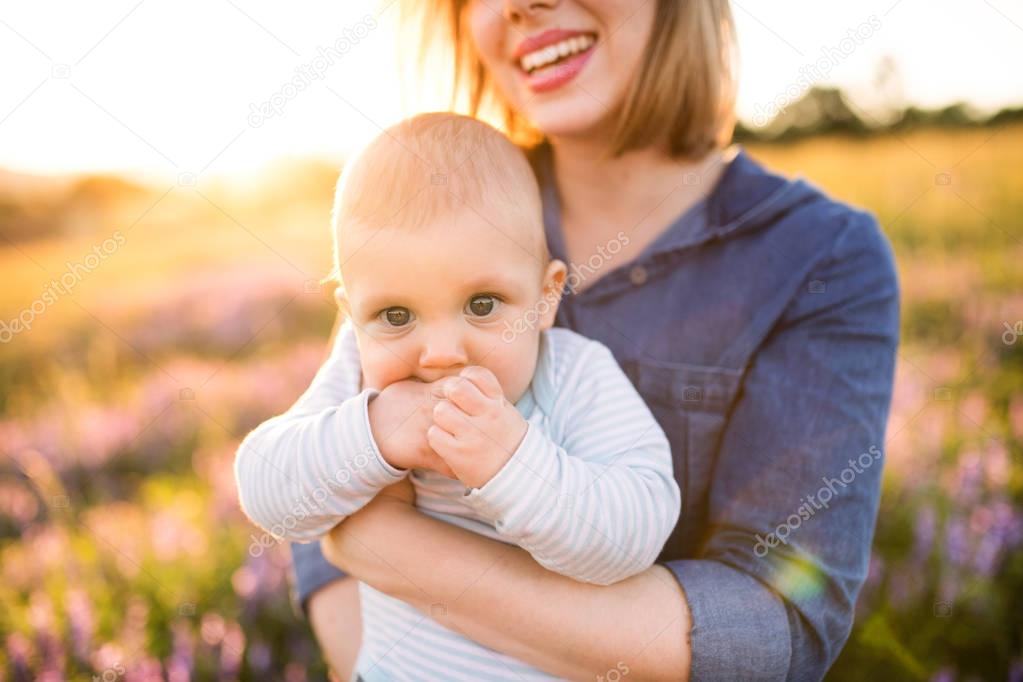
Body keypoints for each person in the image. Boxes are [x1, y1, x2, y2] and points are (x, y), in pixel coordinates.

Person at [281, 0, 901, 679]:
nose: (522, 4)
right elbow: (311, 489)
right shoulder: (440, 206)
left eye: (485, 305)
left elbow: (774, 624)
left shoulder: (819, 257)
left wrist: (383, 544)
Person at [234, 112, 682, 680]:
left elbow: (637, 527)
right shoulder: (357, 372)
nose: (441, 353)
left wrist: (514, 466)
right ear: (351, 316)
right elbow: (267, 489)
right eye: (395, 316)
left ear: (545, 298)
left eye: (483, 304)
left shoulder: (573, 375)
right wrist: (374, 434)